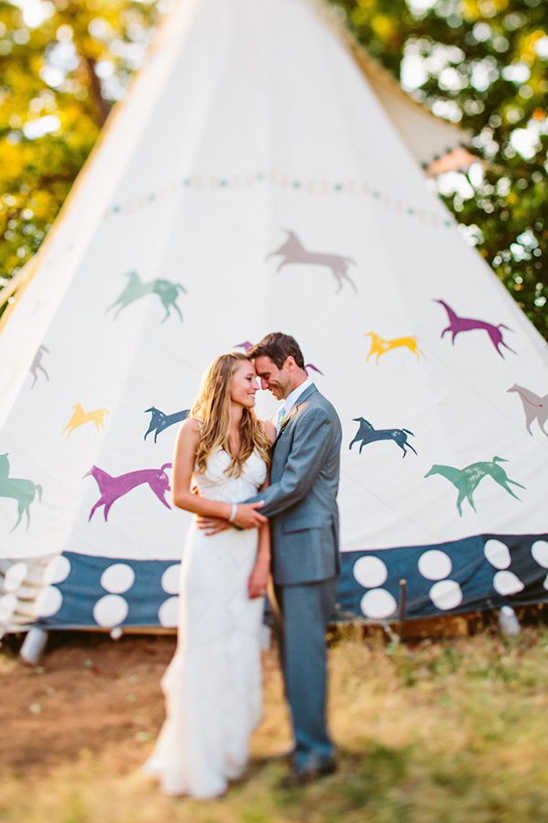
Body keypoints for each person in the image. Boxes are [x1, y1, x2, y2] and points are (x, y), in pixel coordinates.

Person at [199, 332, 342, 787]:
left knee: (304, 654)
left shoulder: (315, 413)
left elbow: (295, 485)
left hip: (307, 551)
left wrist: (237, 513)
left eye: (266, 375)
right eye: (256, 377)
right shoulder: (291, 411)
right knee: (293, 654)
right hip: (288, 550)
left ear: (292, 363)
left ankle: (316, 752)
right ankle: (305, 740)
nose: (263, 385)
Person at [144, 352, 275, 798]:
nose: (256, 386)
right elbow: (180, 494)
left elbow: (269, 503)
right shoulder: (193, 429)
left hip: (249, 553)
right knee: (205, 647)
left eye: (258, 379)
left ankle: (231, 751)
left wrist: (264, 563)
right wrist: (229, 511)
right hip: (209, 552)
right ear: (223, 381)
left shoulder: (265, 432)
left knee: (240, 648)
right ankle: (198, 760)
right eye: (248, 378)